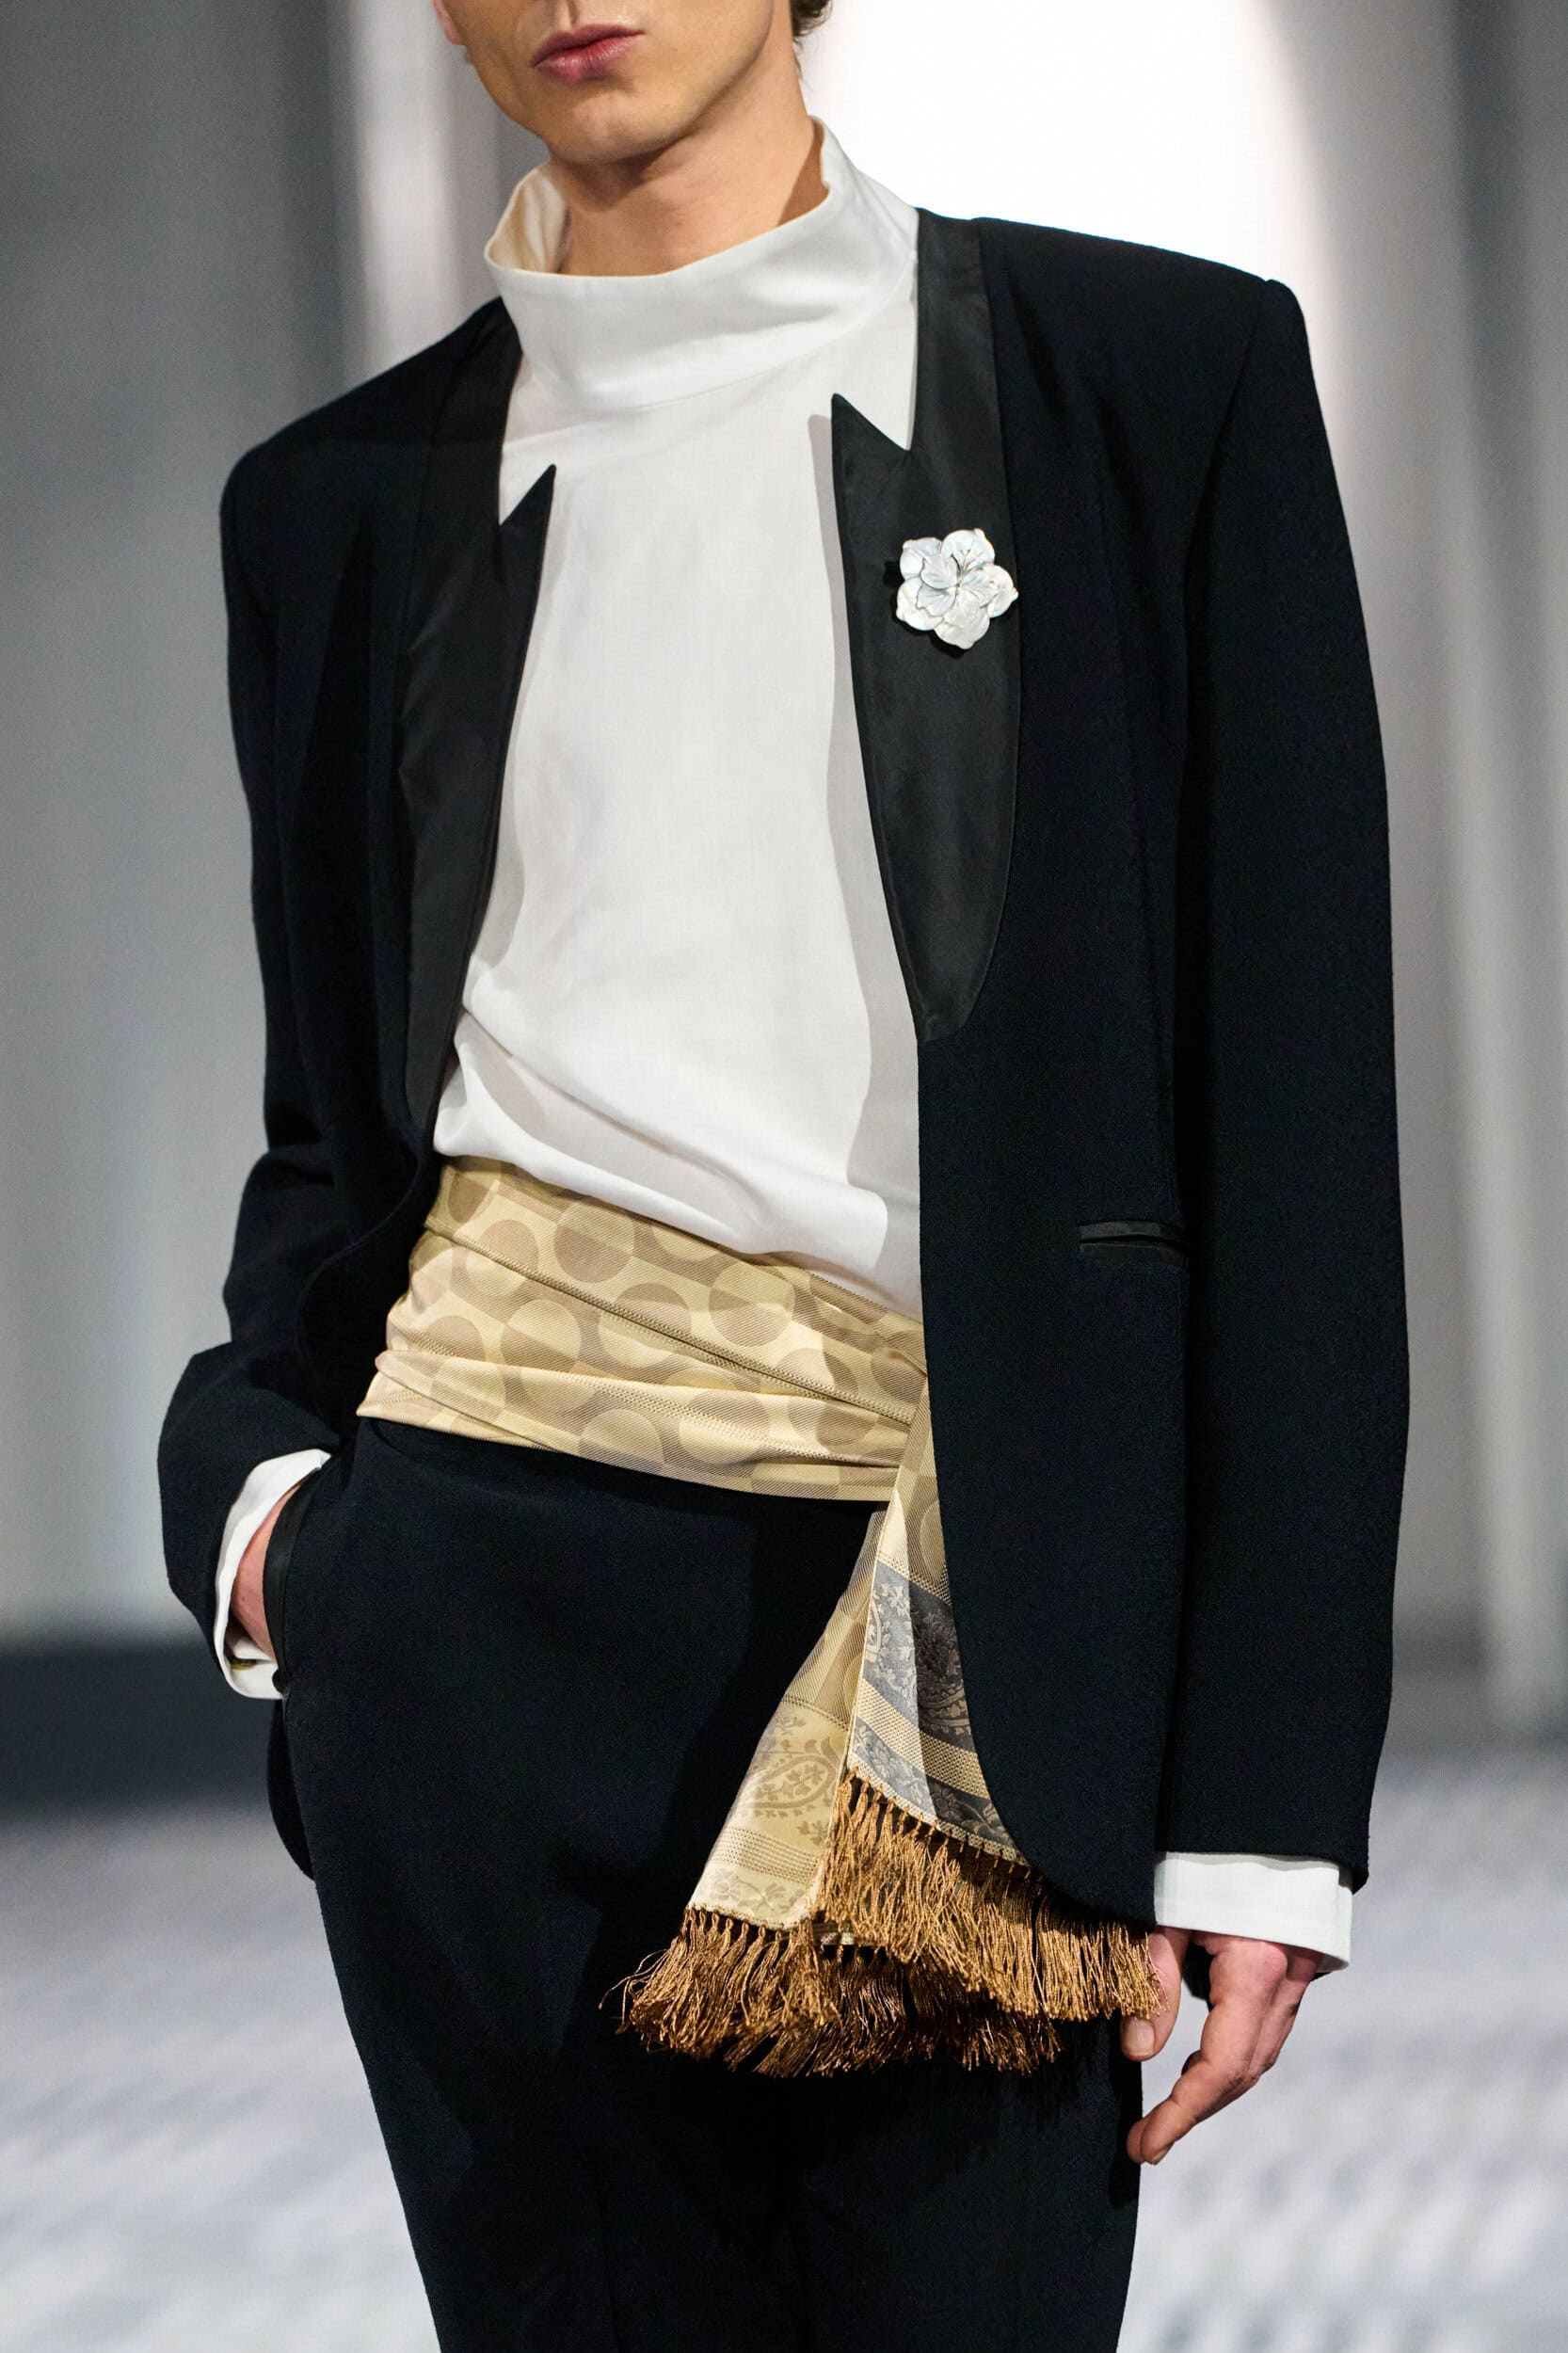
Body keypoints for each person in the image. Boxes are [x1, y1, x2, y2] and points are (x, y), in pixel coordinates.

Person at [156, 2, 1409, 2345]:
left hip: (961, 1627)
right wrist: (273, 1521)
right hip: (463, 1623)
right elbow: (334, 1126)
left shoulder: (1149, 385)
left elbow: (1295, 1121)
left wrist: (1264, 1801)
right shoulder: (331, 503)